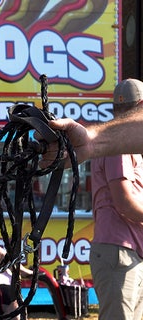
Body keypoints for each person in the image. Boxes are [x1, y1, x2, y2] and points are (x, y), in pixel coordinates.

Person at [88, 79, 143, 319]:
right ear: (141, 105)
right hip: (119, 252)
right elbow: (123, 202)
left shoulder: (121, 141)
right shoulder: (119, 144)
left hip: (126, 251)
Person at [39, 78, 143, 167]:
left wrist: (89, 142)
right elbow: (121, 190)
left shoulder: (112, 146)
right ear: (141, 104)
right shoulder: (121, 150)